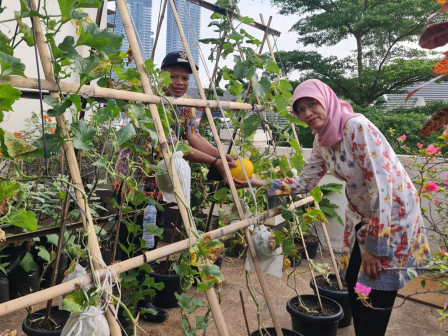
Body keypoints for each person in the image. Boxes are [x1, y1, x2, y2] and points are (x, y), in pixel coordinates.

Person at [237, 79, 431, 336]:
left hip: (391, 218)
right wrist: (259, 182)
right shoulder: (321, 142)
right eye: (300, 110)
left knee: (376, 290)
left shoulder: (356, 127)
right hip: (365, 216)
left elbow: (383, 186)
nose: (307, 113)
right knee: (353, 282)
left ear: (326, 100)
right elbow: (305, 181)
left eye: (311, 104)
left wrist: (375, 248)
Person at [113, 51, 237, 322]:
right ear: (161, 73)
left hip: (159, 186)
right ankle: (125, 299)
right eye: (174, 76)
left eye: (185, 77)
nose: (180, 82)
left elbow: (192, 137)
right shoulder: (150, 97)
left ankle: (142, 298)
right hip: (134, 181)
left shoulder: (187, 104)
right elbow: (173, 147)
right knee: (128, 240)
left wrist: (221, 156)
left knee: (150, 238)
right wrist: (215, 161)